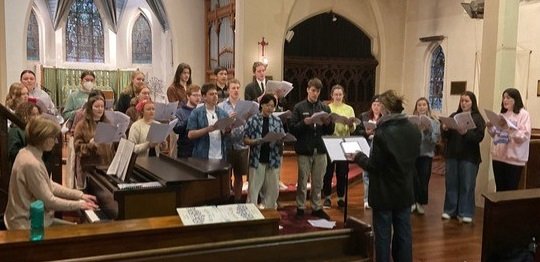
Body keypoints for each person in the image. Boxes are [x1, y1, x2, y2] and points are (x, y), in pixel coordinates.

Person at [347, 90, 421, 262]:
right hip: (404, 189)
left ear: (386, 109)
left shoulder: (383, 132)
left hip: (384, 191)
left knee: (382, 235)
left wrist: (358, 156)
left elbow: (374, 166)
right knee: (404, 233)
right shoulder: (413, 129)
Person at [4, 116, 98, 230]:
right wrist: (79, 204)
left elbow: (50, 185)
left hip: (31, 219)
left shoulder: (27, 152)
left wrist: (80, 195)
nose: (55, 141)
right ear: (43, 137)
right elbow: (49, 201)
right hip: (25, 225)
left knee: (77, 230)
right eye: (53, 137)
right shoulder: (31, 163)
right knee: (78, 233)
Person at [289, 77, 334, 220]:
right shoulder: (299, 107)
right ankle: (300, 207)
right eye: (313, 90)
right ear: (308, 89)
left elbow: (330, 131)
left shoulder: (325, 108)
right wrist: (305, 122)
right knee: (302, 181)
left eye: (318, 91)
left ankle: (316, 206)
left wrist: (327, 123)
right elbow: (293, 129)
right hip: (304, 149)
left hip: (320, 149)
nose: (315, 94)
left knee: (318, 181)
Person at [441, 91, 485, 224]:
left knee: (467, 185)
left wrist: (466, 133)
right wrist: (445, 129)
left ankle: (465, 212)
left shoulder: (477, 118)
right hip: (453, 154)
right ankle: (450, 210)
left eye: (467, 101)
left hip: (469, 156)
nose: (464, 103)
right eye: (462, 101)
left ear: (473, 102)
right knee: (451, 183)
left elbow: (479, 137)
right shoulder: (454, 116)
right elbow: (445, 137)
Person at [244, 94, 285, 209]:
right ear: (261, 105)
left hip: (273, 159)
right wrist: (256, 141)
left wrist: (280, 140)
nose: (270, 108)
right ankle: (252, 216)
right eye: (267, 105)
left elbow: (281, 137)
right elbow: (245, 139)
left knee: (272, 191)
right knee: (253, 191)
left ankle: (269, 215)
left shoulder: (277, 121)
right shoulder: (253, 120)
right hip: (257, 159)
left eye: (272, 106)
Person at [487, 88, 531, 191]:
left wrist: (510, 129)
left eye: (508, 97)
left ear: (516, 99)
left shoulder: (523, 114)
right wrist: (490, 127)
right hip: (498, 158)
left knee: (510, 191)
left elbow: (523, 136)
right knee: (500, 190)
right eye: (503, 98)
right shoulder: (502, 115)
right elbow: (496, 136)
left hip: (514, 160)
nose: (505, 100)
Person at [323, 85, 356, 208]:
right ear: (332, 95)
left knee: (342, 172)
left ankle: (341, 197)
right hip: (330, 141)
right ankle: (327, 197)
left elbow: (353, 129)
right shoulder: (327, 108)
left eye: (340, 94)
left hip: (344, 142)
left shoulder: (349, 109)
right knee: (328, 172)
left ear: (343, 95)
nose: (338, 97)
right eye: (335, 94)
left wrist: (350, 124)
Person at [73, 95, 114, 189]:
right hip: (91, 169)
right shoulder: (82, 125)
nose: (100, 109)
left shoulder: (108, 123)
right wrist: (90, 145)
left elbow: (112, 146)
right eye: (96, 106)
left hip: (107, 166)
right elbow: (77, 148)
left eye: (102, 106)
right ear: (90, 108)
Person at [218, 79, 249, 203]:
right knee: (226, 175)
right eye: (233, 88)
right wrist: (228, 123)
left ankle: (237, 199)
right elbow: (219, 124)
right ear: (228, 90)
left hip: (241, 144)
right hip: (227, 144)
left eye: (237, 88)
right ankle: (226, 199)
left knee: (239, 175)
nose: (236, 90)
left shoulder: (245, 105)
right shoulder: (221, 106)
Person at [410, 97, 441, 214]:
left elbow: (435, 140)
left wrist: (427, 131)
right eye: (419, 105)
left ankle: (420, 202)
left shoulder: (434, 122)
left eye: (424, 105)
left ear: (428, 107)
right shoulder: (412, 120)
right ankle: (412, 202)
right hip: (412, 154)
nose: (422, 107)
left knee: (423, 179)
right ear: (416, 107)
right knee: (413, 179)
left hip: (426, 154)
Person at [353, 95, 382, 209]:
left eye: (378, 105)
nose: (376, 107)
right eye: (374, 105)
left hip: (379, 146)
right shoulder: (364, 116)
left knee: (378, 173)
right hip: (367, 145)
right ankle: (366, 199)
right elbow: (357, 130)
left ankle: (376, 198)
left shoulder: (385, 117)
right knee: (366, 174)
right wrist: (366, 133)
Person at [187, 83, 229, 159]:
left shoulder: (223, 113)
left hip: (220, 156)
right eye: (211, 94)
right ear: (204, 97)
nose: (215, 96)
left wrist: (228, 130)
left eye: (216, 94)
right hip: (203, 156)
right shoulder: (196, 113)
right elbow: (190, 134)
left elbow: (227, 136)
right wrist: (207, 129)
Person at [174, 85, 202, 158]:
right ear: (188, 96)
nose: (198, 98)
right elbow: (177, 129)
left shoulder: (202, 111)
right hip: (185, 149)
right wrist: (192, 115)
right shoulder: (180, 111)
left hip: (200, 148)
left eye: (199, 95)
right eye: (195, 95)